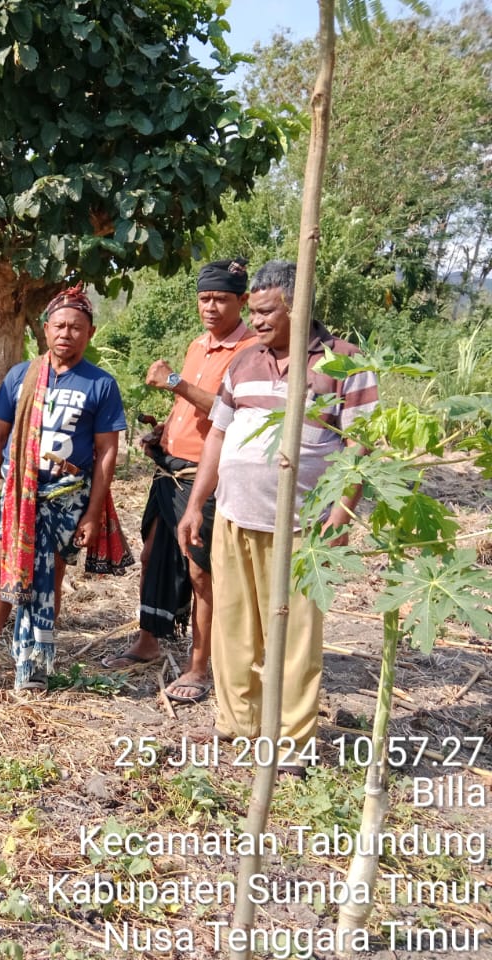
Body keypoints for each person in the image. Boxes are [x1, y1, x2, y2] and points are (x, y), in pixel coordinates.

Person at [177, 260, 378, 768]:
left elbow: (362, 446)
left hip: (303, 527)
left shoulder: (345, 365)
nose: (258, 321)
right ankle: (237, 723)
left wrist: (342, 513)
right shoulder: (245, 363)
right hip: (235, 517)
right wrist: (198, 502)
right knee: (234, 627)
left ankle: (290, 742)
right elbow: (218, 436)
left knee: (294, 637)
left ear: (301, 303)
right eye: (255, 311)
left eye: (268, 311)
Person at [100, 259, 255, 705]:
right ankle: (149, 641)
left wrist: (174, 382)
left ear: (241, 301)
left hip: (204, 478)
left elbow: (230, 412)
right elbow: (190, 407)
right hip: (170, 470)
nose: (211, 306)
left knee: (200, 570)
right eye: (205, 298)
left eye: (221, 299)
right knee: (152, 556)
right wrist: (163, 431)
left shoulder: (248, 351)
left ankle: (199, 665)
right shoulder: (198, 344)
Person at [0, 286, 129, 695]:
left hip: (65, 495)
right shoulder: (21, 375)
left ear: (90, 333)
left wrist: (92, 513)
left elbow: (108, 452)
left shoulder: (101, 384)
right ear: (46, 328)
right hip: (18, 494)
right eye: (59, 325)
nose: (66, 334)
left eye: (76, 327)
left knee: (49, 578)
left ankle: (34, 664)